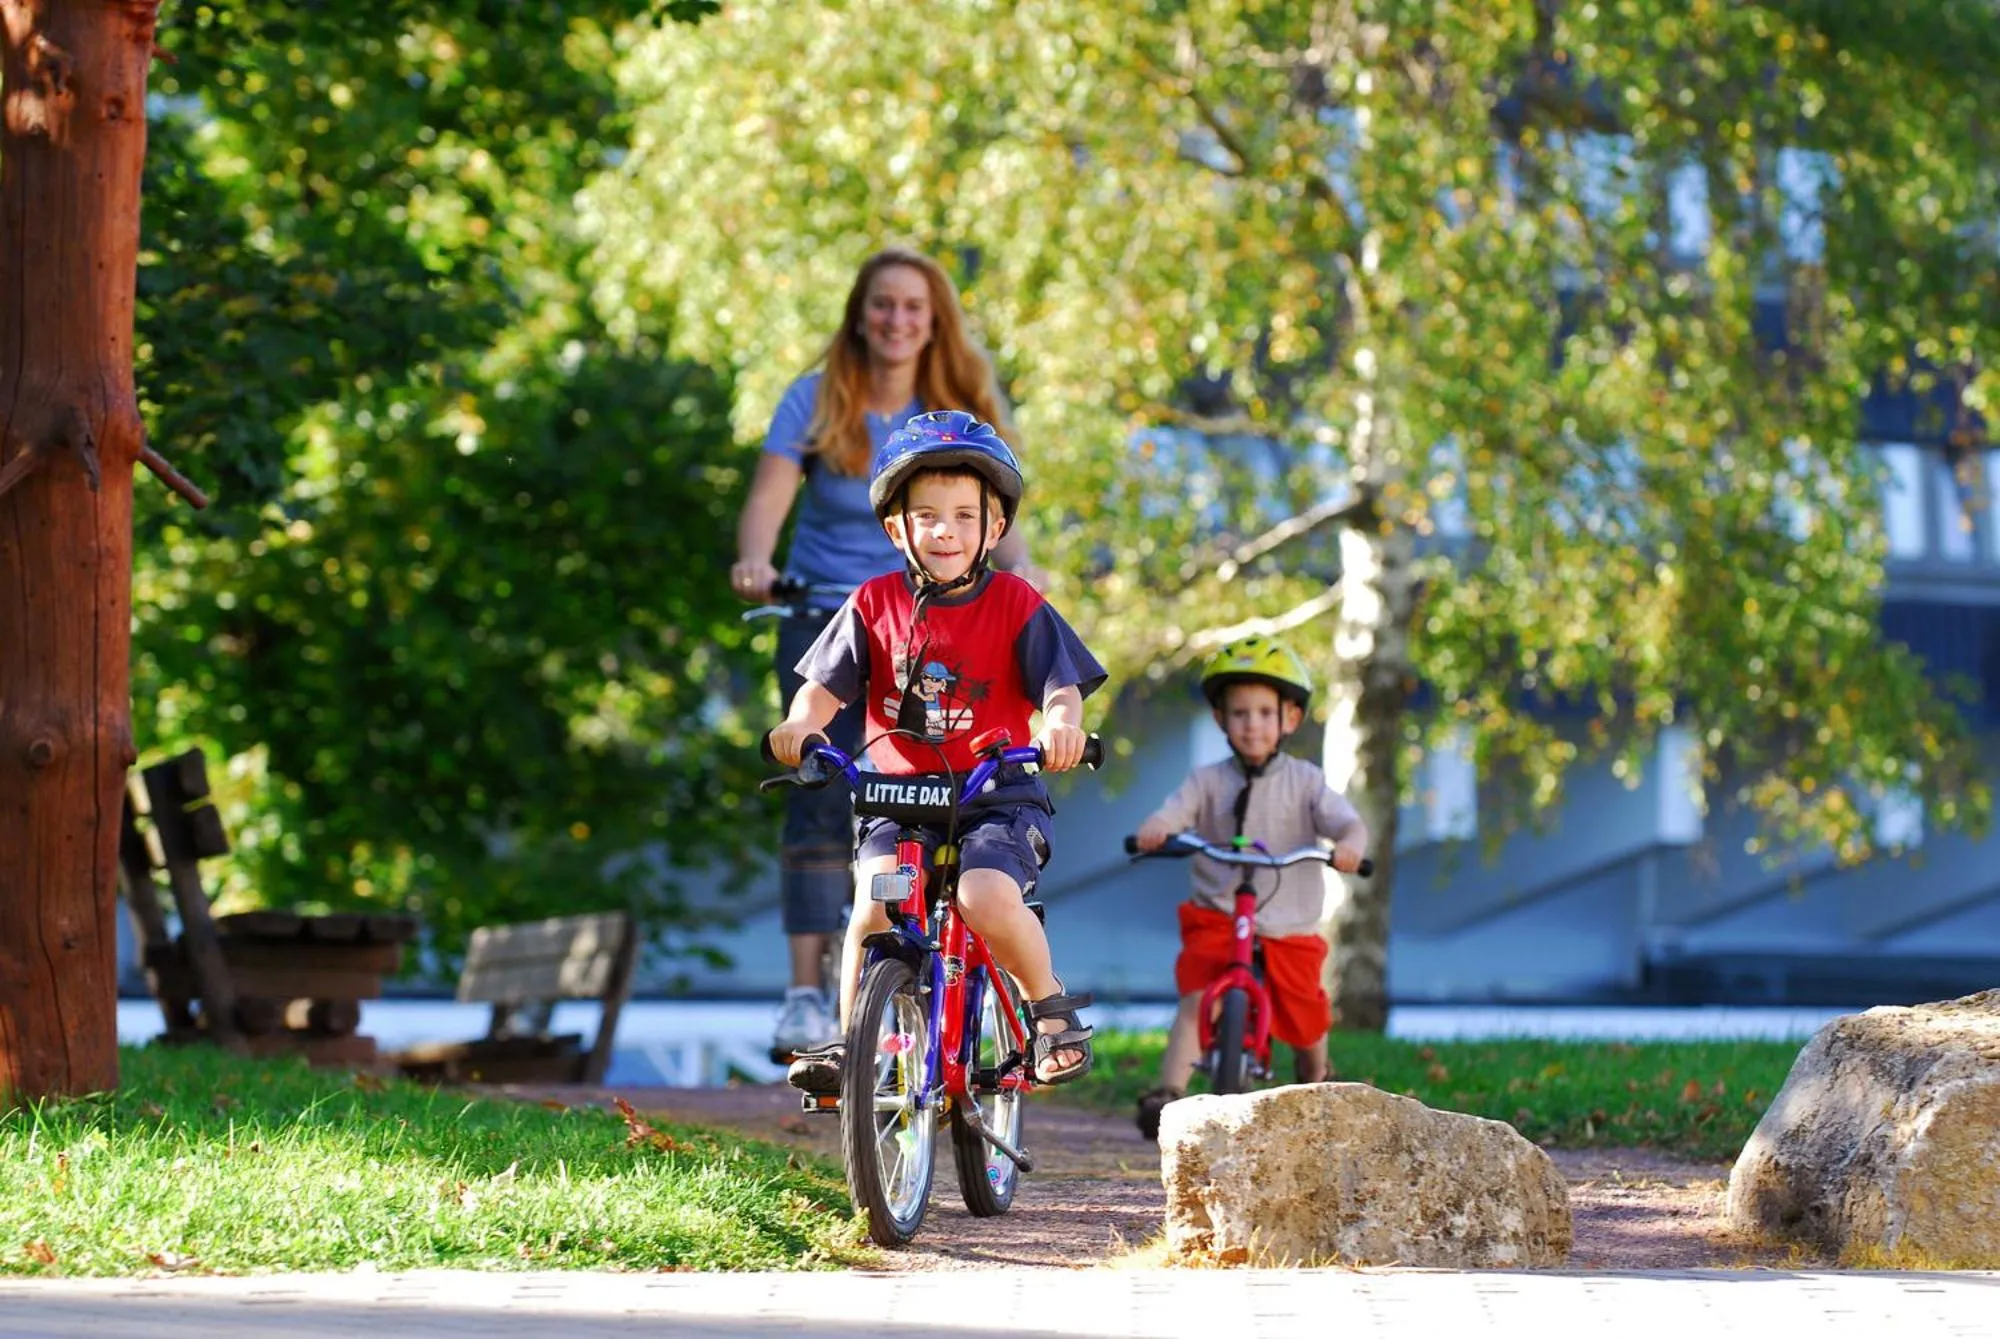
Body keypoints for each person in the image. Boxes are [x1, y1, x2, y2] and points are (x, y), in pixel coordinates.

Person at [729, 247, 1035, 1062]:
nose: (897, 320)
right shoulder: (815, 398)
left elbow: (997, 517)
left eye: (913, 307)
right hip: (829, 615)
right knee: (819, 790)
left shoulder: (958, 405)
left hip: (934, 624)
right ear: (860, 314)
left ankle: (953, 952)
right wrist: (754, 560)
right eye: (883, 304)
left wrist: (1025, 583)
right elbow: (768, 497)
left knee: (950, 778)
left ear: (933, 322)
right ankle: (807, 994)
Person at [765, 409, 1106, 1091]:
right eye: (926, 516)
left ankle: (1048, 1009)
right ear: (897, 529)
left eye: (963, 516)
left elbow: (1061, 690)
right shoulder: (871, 605)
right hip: (899, 799)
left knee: (983, 893)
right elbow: (821, 692)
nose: (945, 530)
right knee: (872, 905)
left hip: (995, 796)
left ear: (994, 528)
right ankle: (852, 1048)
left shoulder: (1016, 603)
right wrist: (800, 725)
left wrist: (1061, 727)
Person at [1128, 634, 1371, 1139]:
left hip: (1287, 922)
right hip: (1218, 912)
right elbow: (1173, 812)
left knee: (1306, 1010)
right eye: (1239, 713)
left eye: (1264, 713)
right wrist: (1157, 829)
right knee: (1198, 997)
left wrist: (1349, 845)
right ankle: (1169, 1093)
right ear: (1221, 719)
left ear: (1290, 719)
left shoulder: (1305, 781)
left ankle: (1318, 1080)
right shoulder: (1207, 780)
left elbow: (1347, 822)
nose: (1252, 724)